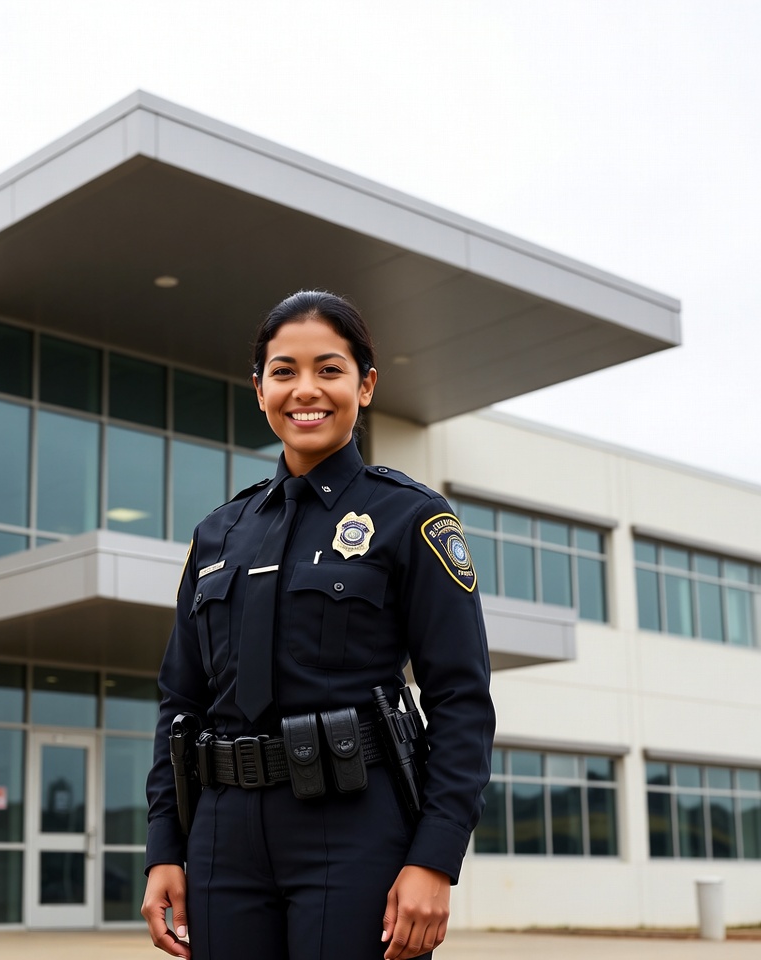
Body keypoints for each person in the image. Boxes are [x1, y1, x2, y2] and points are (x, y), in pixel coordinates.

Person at [142, 291, 495, 960]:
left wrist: (436, 858)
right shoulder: (219, 533)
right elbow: (179, 702)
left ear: (365, 385)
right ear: (259, 389)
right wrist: (166, 847)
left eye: (329, 370)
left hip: (354, 827)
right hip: (222, 838)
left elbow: (460, 699)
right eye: (283, 371)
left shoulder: (410, 517)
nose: (306, 390)